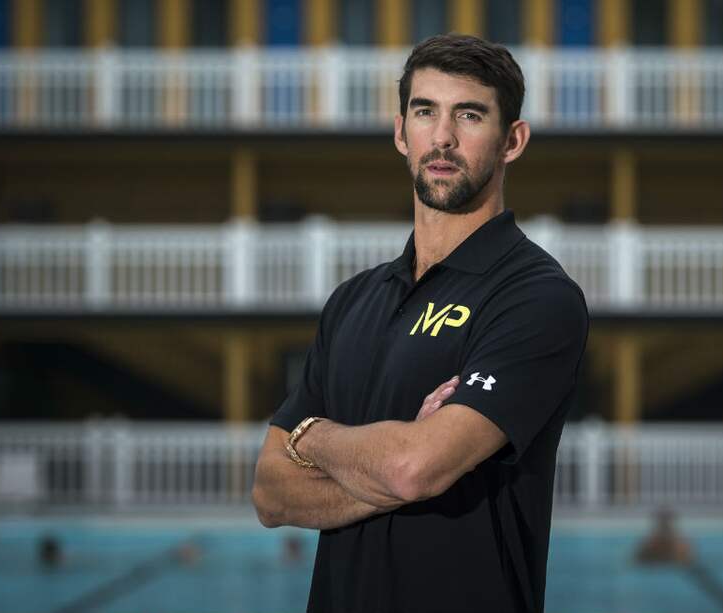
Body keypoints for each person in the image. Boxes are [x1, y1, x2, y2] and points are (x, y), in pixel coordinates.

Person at [252, 34, 589, 613]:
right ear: (401, 133)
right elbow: (269, 493)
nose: (443, 137)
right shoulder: (353, 301)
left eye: (469, 115)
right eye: (425, 111)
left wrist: (309, 437)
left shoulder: (536, 297)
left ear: (512, 141)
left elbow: (412, 470)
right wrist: (392, 461)